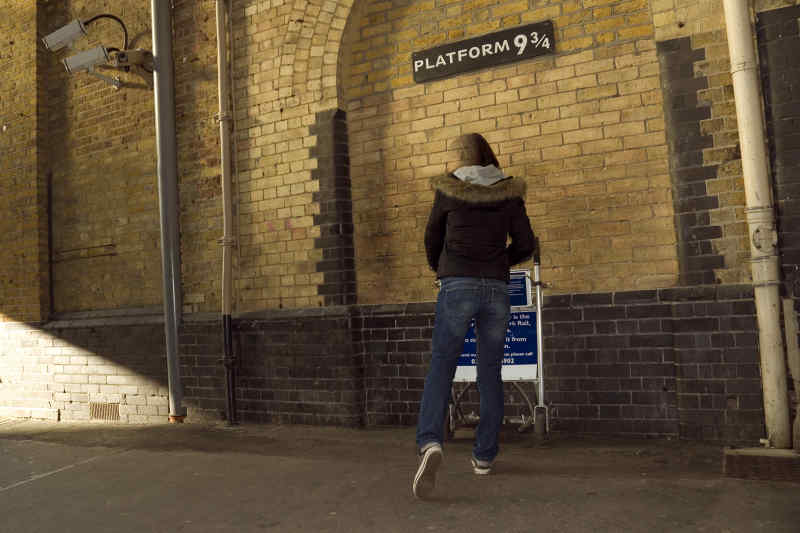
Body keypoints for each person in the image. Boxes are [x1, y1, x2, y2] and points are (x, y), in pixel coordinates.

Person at [412, 133, 536, 499]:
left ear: (461, 158)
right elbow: (527, 244)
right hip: (497, 290)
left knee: (442, 365)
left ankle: (431, 442)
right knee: (490, 370)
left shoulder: (449, 189)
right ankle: (483, 457)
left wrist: (443, 268)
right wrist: (500, 263)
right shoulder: (508, 191)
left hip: (457, 285)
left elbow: (431, 237)